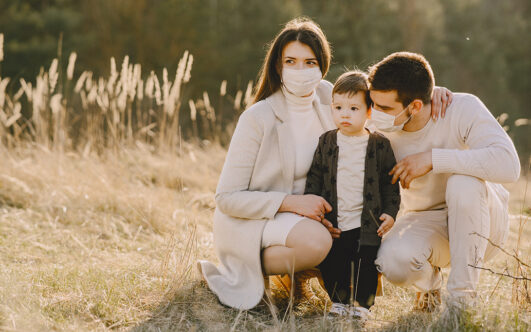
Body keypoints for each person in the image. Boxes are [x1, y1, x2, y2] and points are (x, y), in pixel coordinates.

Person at [197, 18, 452, 311]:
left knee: (358, 233)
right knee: (319, 243)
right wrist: (292, 203)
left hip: (313, 217)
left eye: (310, 62)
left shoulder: (327, 95)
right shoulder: (257, 118)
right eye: (290, 61)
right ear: (277, 66)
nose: (300, 71)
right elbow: (226, 199)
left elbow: (381, 96)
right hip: (259, 217)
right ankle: (239, 267)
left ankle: (302, 273)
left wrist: (430, 93)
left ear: (323, 65)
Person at [368, 52, 521, 311]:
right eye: (373, 105)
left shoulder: (461, 108)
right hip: (428, 221)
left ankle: (462, 303)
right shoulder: (378, 130)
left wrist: (433, 159)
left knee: (463, 183)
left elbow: (509, 165)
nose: (375, 114)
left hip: (484, 220)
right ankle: (430, 285)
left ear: (415, 105)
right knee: (393, 262)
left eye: (384, 109)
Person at [304, 70, 400, 317]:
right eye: (338, 107)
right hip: (335, 220)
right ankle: (338, 301)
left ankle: (362, 305)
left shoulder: (379, 145)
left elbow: (390, 183)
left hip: (367, 221)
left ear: (369, 112)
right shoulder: (326, 141)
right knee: (333, 261)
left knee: (365, 263)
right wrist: (314, 210)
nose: (344, 114)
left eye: (354, 109)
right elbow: (314, 177)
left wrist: (390, 213)